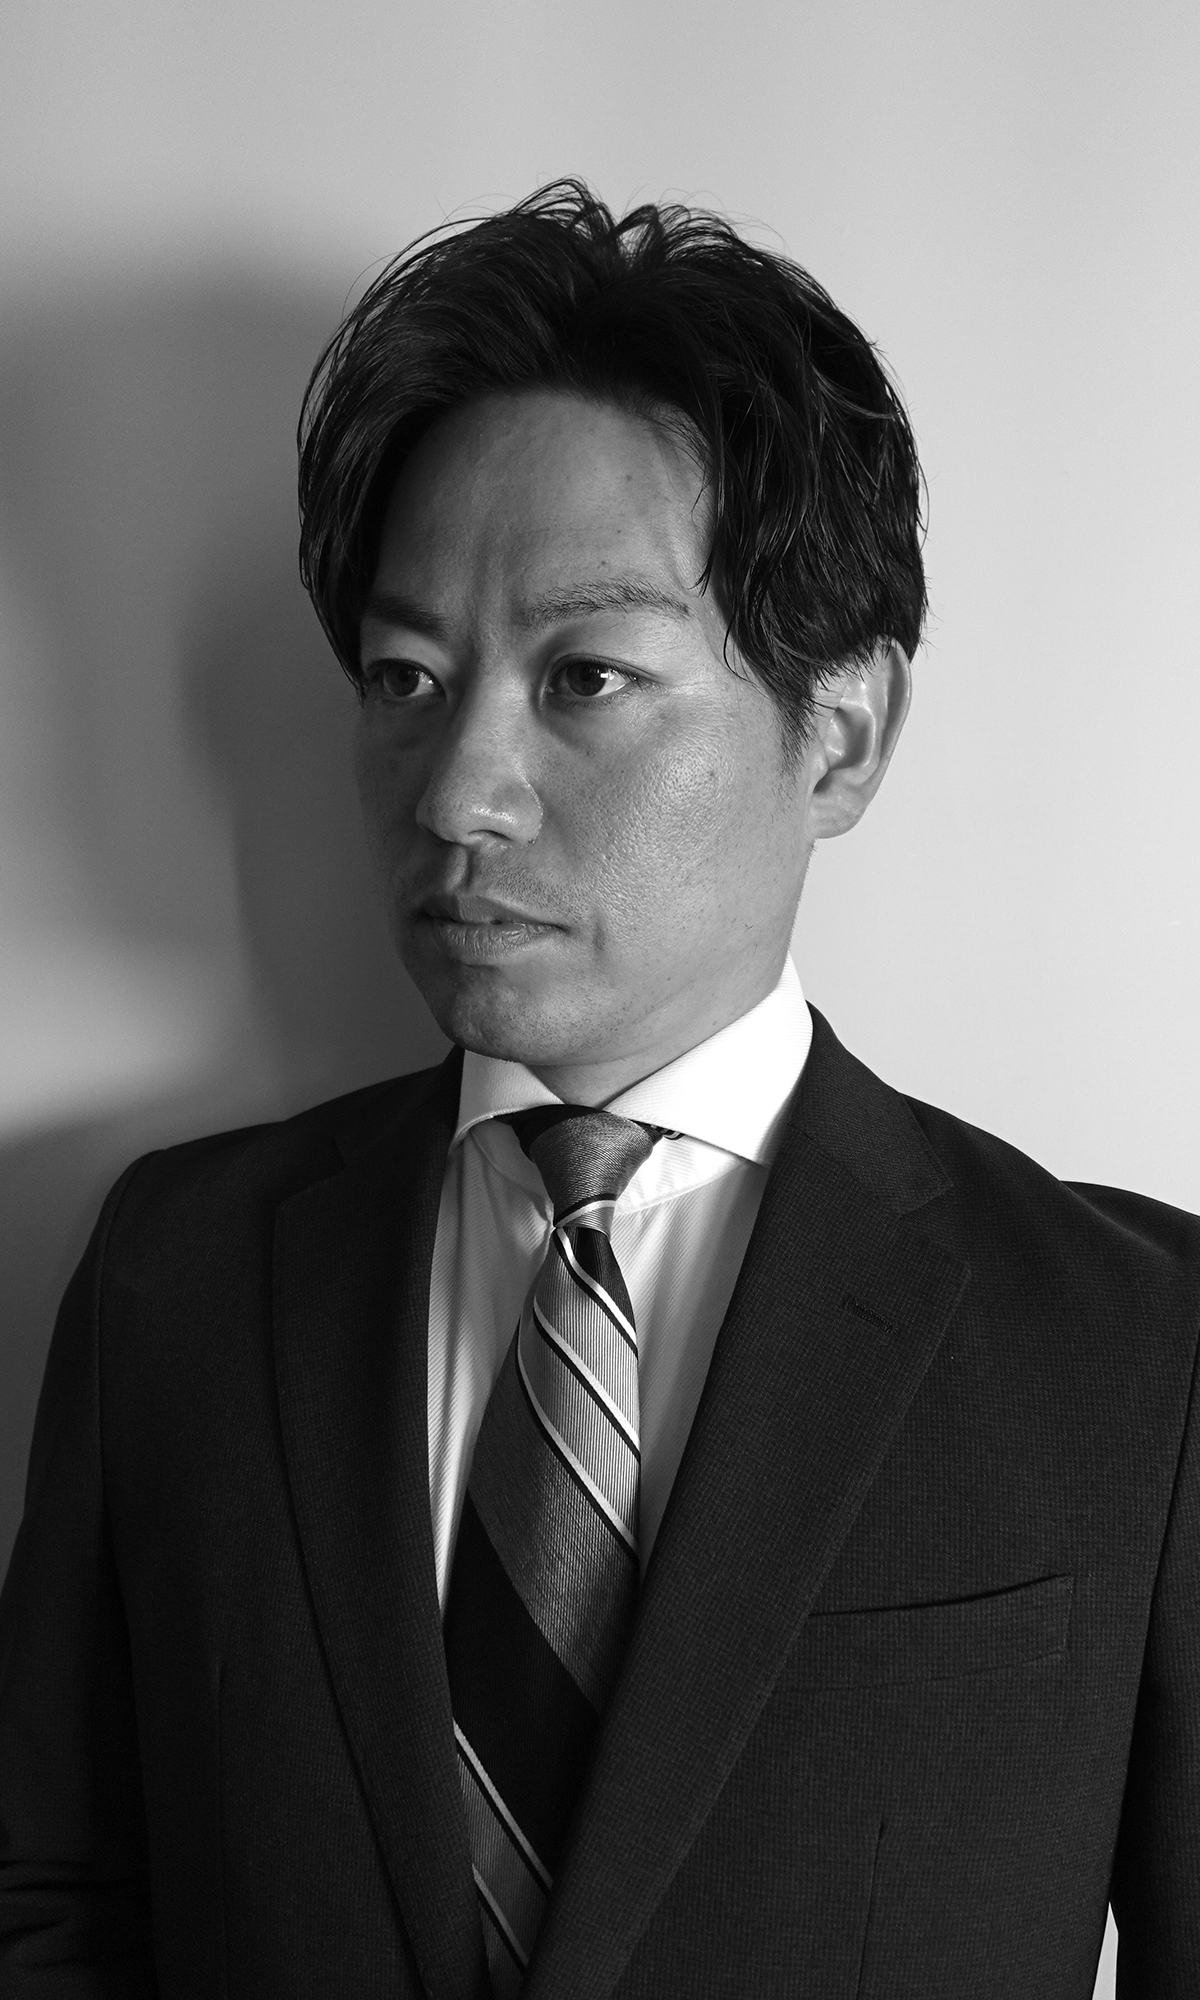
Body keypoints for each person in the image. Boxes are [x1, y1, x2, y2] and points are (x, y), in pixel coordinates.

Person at [0, 179, 1196, 2000]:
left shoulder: (1133, 1350)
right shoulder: (177, 1276)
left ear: (842, 731)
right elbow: (51, 1898)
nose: (457, 790)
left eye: (586, 677)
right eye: (405, 675)